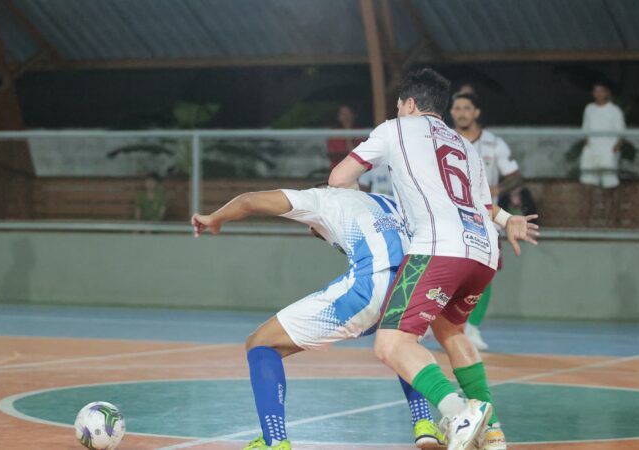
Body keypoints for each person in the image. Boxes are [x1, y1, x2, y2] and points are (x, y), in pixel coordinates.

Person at [329, 68, 538, 450]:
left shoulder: (394, 128)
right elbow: (485, 204)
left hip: (439, 249)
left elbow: (340, 178)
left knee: (390, 344)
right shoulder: (466, 146)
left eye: (398, 105)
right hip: (484, 251)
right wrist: (509, 221)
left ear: (409, 104)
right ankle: (491, 430)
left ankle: (457, 410)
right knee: (451, 331)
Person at [191, 187, 446, 450]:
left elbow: (248, 200)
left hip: (370, 286)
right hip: (414, 285)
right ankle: (424, 424)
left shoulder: (321, 200)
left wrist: (215, 218)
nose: (313, 232)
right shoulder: (389, 203)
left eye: (314, 230)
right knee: (402, 345)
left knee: (260, 343)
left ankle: (274, 440)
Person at [449, 92, 524, 351]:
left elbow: (515, 176)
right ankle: (438, 321)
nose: (461, 113)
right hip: (450, 219)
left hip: (487, 219)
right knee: (448, 273)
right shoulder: (444, 139)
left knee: (483, 276)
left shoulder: (494, 144)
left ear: (476, 112)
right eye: (457, 108)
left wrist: (498, 188)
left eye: (466, 108)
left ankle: (472, 328)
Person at [580, 81, 626, 226]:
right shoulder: (589, 109)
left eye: (601, 91)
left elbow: (621, 135)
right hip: (591, 154)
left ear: (607, 93)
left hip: (608, 154)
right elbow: (585, 131)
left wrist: (613, 151)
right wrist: (589, 145)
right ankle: (584, 226)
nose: (598, 94)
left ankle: (610, 225)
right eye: (595, 91)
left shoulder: (615, 110)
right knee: (587, 190)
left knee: (610, 191)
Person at [326, 105, 363, 170]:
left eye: (348, 113)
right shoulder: (334, 134)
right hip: (337, 171)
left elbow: (358, 157)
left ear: (353, 116)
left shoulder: (360, 133)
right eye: (343, 114)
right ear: (338, 117)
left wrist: (348, 132)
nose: (346, 116)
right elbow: (332, 156)